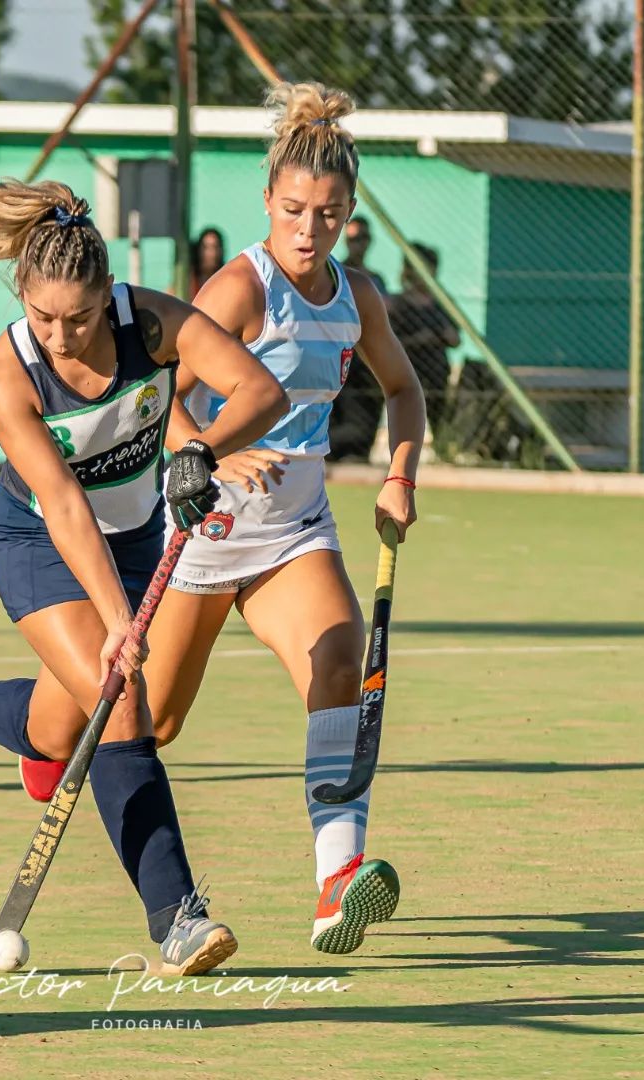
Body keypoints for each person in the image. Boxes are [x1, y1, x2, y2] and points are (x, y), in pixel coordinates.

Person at [0, 169, 287, 974]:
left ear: (108, 297)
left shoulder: (155, 324)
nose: (61, 337)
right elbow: (66, 505)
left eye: (78, 318)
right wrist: (115, 621)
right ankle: (178, 918)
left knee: (59, 727)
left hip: (135, 538)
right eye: (42, 318)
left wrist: (201, 449)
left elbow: (261, 390)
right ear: (23, 301)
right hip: (38, 540)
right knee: (125, 703)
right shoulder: (8, 373)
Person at [144, 83, 426, 956]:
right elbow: (157, 396)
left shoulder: (355, 296)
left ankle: (338, 881)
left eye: (329, 216)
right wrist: (212, 454)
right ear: (267, 200)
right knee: (151, 724)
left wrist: (400, 474)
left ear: (348, 215)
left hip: (296, 531)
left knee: (339, 665)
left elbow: (404, 389)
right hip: (206, 527)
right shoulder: (239, 288)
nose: (310, 231)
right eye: (295, 211)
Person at [328, 214, 386, 461]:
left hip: (365, 362)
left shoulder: (375, 280)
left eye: (362, 238)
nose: (357, 244)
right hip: (336, 356)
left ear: (369, 241)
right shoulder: (334, 273)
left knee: (362, 428)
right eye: (352, 239)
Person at [389, 243, 459, 449]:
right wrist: (418, 339)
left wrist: (441, 336)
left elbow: (455, 339)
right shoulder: (398, 304)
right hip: (408, 368)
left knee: (438, 410)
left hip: (436, 369)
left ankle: (441, 446)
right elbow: (391, 341)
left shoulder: (441, 303)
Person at [189, 227, 225, 298]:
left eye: (215, 247)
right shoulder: (188, 280)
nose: (212, 253)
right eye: (206, 247)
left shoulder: (226, 280)